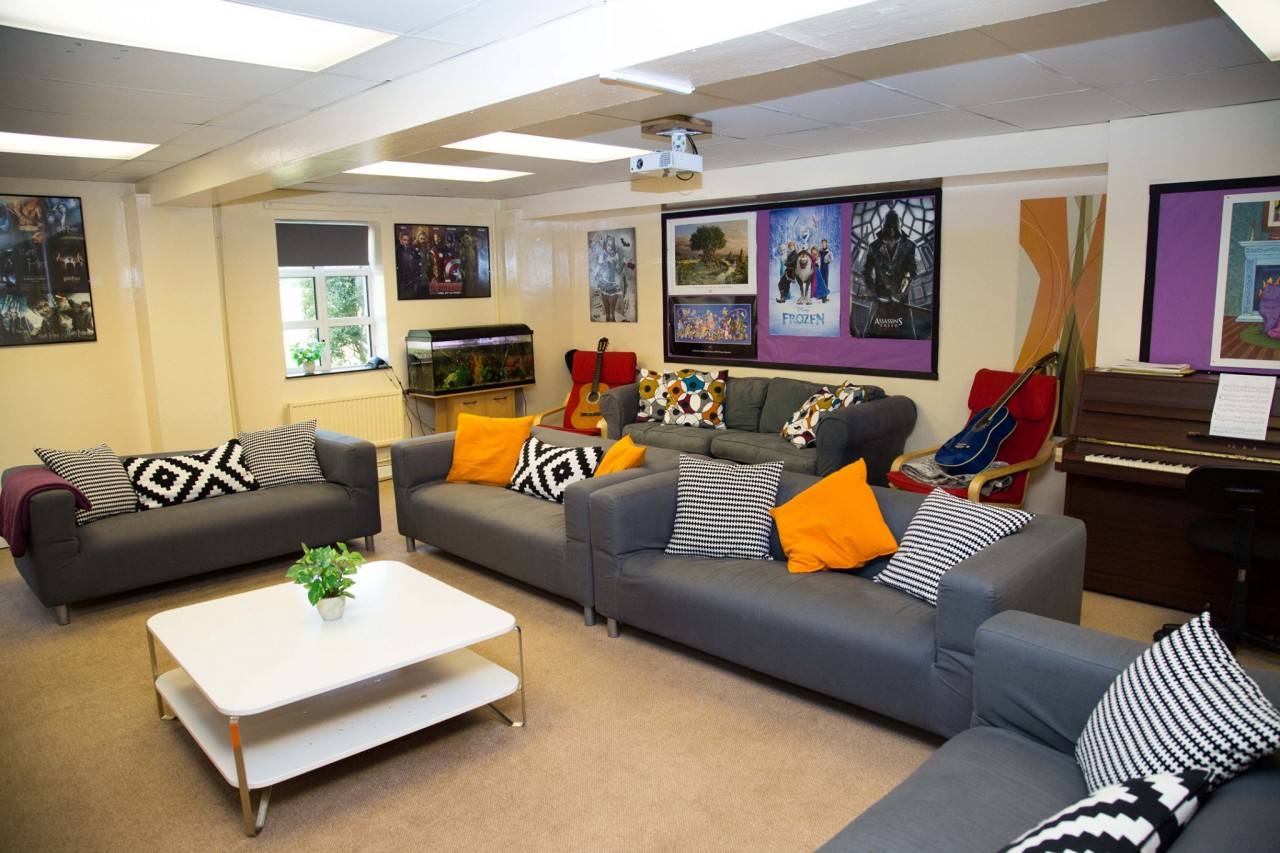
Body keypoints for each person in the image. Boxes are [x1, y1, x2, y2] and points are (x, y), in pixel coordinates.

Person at [856, 210, 917, 337]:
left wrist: (900, 293)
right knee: (872, 337)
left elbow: (910, 271)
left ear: (898, 226)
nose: (891, 229)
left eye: (894, 226)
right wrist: (871, 291)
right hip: (880, 297)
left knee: (906, 337)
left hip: (901, 299)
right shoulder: (874, 246)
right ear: (884, 226)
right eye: (889, 226)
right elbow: (866, 271)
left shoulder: (909, 246)